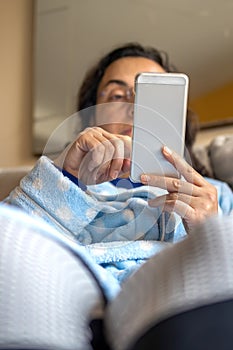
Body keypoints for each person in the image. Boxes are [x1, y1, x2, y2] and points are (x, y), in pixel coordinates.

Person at [1, 42, 232, 349]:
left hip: (168, 304)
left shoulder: (216, 194)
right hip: (75, 301)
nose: (135, 108)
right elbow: (14, 243)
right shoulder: (56, 179)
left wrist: (208, 227)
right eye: (117, 95)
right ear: (90, 118)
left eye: (152, 96)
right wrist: (65, 176)